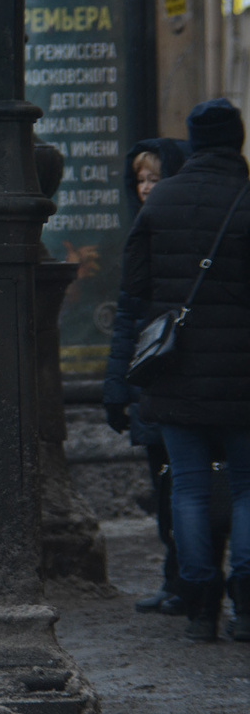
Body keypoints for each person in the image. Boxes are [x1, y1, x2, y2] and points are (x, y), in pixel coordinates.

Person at [119, 98, 250, 642]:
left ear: (194, 144)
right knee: (246, 488)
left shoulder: (161, 201)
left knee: (190, 490)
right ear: (238, 141)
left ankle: (199, 605)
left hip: (175, 371)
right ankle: (246, 605)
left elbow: (135, 288)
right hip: (244, 376)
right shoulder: (247, 199)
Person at [104, 137, 190, 616]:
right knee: (167, 487)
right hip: (153, 379)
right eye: (139, 179)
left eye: (153, 178)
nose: (144, 188)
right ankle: (178, 579)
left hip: (174, 379)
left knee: (188, 489)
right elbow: (127, 319)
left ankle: (188, 581)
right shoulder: (141, 231)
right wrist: (117, 386)